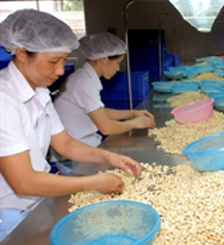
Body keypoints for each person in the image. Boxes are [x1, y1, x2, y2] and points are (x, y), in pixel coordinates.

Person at [0, 10, 141, 241]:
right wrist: (92, 183)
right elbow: (23, 181)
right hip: (10, 213)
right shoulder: (4, 99)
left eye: (64, 60)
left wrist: (108, 158)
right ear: (22, 53)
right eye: (54, 61)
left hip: (38, 201)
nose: (59, 70)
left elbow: (64, 143)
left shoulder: (40, 93)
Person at [54, 32, 155, 148]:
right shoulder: (83, 83)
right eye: (117, 63)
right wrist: (135, 123)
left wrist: (132, 113)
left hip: (81, 145)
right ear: (104, 59)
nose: (117, 68)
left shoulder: (85, 78)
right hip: (74, 152)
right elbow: (107, 128)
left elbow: (98, 112)